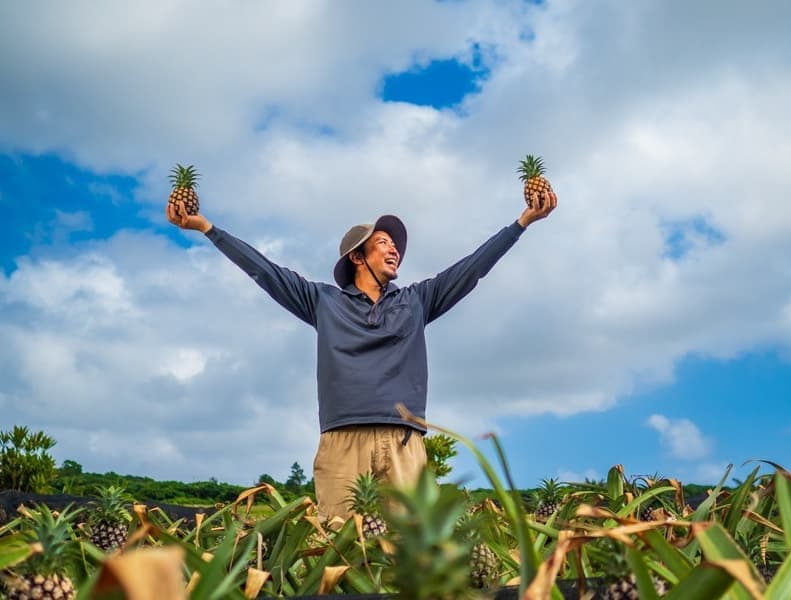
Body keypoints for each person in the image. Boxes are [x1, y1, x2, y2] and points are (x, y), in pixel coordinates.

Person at [166, 186, 556, 519]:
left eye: (395, 246)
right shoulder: (322, 301)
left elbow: (472, 268)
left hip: (404, 443)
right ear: (357, 256)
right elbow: (266, 272)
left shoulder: (417, 300)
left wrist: (520, 224)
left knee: (411, 556)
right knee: (339, 548)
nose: (394, 250)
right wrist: (207, 228)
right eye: (383, 243)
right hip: (342, 441)